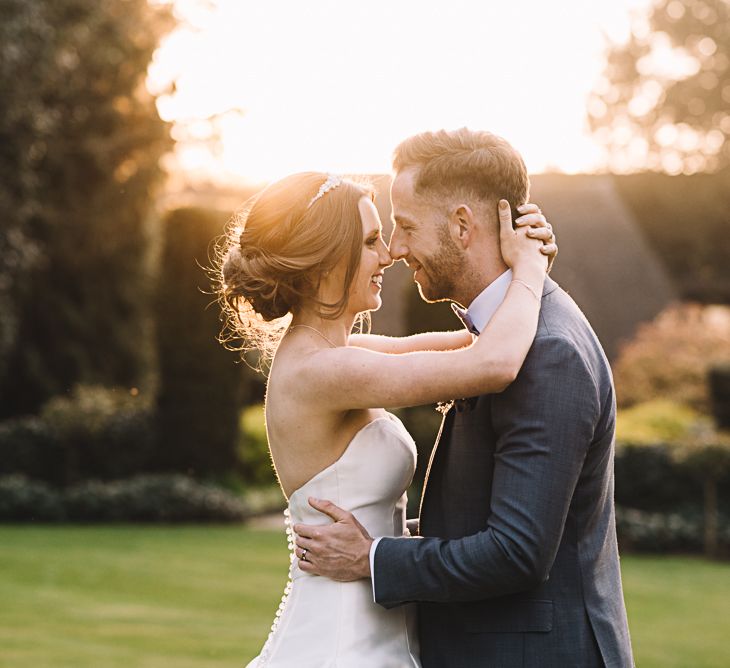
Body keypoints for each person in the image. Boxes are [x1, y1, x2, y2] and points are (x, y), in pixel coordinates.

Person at [292, 129, 635, 668]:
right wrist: (530, 268)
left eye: (404, 227)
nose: (396, 250)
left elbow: (516, 552)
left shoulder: (547, 353)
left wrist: (374, 557)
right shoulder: (505, 331)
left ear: (461, 225)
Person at [218, 159, 555, 667]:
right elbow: (495, 362)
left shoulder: (341, 354)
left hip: (377, 630)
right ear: (330, 259)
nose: (389, 254)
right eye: (372, 240)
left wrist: (510, 260)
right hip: (338, 642)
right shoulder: (321, 372)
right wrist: (532, 269)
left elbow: (475, 338)